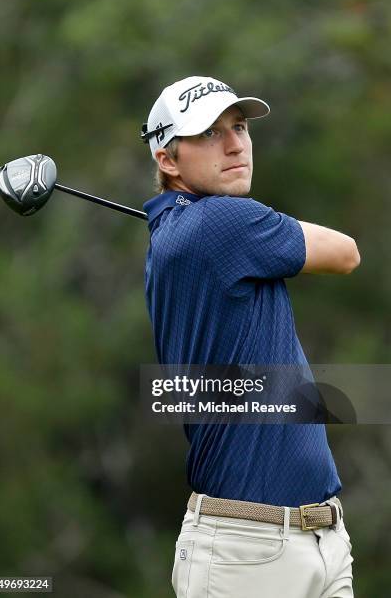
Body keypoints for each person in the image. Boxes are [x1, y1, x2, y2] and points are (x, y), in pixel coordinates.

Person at [141, 76, 360, 598]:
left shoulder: (184, 227)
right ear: (168, 160)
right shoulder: (224, 224)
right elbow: (347, 252)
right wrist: (269, 226)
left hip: (321, 538)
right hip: (247, 553)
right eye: (210, 134)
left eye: (238, 128)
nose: (236, 144)